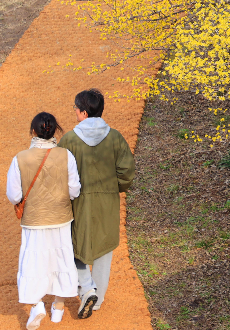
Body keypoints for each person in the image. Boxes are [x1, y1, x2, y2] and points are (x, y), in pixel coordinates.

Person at [58, 89, 135, 319]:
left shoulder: (69, 139)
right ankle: (97, 299)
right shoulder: (116, 137)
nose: (73, 111)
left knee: (75, 246)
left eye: (75, 107)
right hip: (107, 201)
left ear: (83, 112)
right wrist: (115, 188)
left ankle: (85, 290)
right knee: (104, 248)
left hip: (77, 203)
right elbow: (127, 172)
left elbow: (59, 172)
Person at [6, 112, 81, 330]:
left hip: (33, 221)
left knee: (33, 264)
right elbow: (74, 189)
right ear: (55, 131)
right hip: (61, 219)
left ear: (33, 131)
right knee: (61, 260)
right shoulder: (66, 155)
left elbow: (14, 196)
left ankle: (37, 305)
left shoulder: (20, 158)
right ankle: (57, 308)